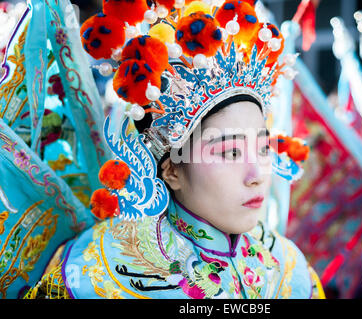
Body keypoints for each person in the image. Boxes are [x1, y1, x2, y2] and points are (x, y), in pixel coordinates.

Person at [19, 0, 324, 299]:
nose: (257, 175)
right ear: (172, 171)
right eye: (231, 153)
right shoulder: (95, 273)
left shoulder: (289, 270)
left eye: (261, 149)